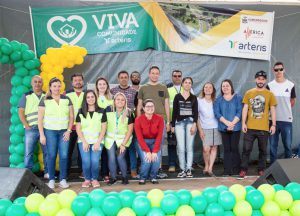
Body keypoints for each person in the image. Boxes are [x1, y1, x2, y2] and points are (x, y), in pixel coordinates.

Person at [239, 71, 277, 179]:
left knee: (263, 151)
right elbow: (245, 108)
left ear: (265, 80)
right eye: (259, 79)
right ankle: (243, 169)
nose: (261, 81)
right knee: (246, 150)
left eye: (263, 79)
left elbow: (273, 110)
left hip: (264, 128)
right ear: (255, 79)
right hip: (250, 127)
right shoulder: (249, 93)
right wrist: (243, 123)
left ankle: (261, 170)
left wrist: (273, 125)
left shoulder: (270, 94)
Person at [38, 77, 74, 189]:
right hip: (50, 132)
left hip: (64, 132)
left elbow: (71, 116)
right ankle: (52, 180)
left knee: (63, 155)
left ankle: (63, 179)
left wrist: (68, 131)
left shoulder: (67, 99)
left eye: (59, 86)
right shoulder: (45, 100)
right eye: (54, 86)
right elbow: (40, 119)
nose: (57, 88)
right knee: (52, 155)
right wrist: (42, 135)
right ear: (50, 87)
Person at [137, 66, 170, 179]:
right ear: (149, 74)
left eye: (157, 73)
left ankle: (157, 170)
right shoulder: (143, 88)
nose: (155, 75)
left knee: (159, 145)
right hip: (145, 122)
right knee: (144, 145)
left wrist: (168, 121)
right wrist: (138, 119)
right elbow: (139, 105)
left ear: (159, 75)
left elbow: (166, 104)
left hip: (160, 121)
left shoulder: (163, 87)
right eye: (153, 73)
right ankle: (144, 169)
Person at [18, 75, 48, 178]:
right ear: (31, 83)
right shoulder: (26, 95)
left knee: (47, 151)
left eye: (39, 82)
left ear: (42, 83)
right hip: (31, 128)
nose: (37, 84)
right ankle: (28, 174)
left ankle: (47, 172)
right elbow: (21, 112)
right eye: (35, 82)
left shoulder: (46, 95)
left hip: (44, 129)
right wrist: (26, 126)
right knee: (28, 152)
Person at [266, 62, 296, 164]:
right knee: (272, 146)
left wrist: (284, 110)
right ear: (273, 71)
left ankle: (288, 167)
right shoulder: (269, 86)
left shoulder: (291, 85)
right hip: (272, 121)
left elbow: (292, 101)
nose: (278, 71)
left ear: (284, 70)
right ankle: (272, 169)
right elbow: (267, 103)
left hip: (286, 121)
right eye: (276, 70)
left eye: (280, 69)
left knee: (287, 145)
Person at [111, 71, 138, 178]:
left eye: (125, 77)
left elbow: (137, 106)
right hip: (117, 124)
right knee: (116, 147)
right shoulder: (113, 91)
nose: (123, 79)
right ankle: (117, 169)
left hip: (129, 121)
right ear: (118, 79)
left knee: (131, 147)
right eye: (121, 77)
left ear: (128, 79)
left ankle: (133, 169)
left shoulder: (134, 91)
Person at [76, 90, 106, 188]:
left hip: (97, 141)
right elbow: (78, 129)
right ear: (85, 99)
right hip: (83, 141)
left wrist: (98, 142)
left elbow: (103, 129)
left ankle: (94, 179)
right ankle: (87, 179)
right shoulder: (80, 111)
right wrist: (84, 142)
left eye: (92, 96)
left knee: (95, 161)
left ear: (95, 98)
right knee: (86, 161)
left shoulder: (102, 111)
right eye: (88, 97)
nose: (90, 99)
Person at [103, 92, 134, 185]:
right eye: (118, 99)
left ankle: (124, 177)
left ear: (125, 102)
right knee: (111, 158)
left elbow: (130, 130)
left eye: (122, 100)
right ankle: (113, 177)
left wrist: (123, 144)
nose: (120, 101)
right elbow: (104, 125)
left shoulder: (129, 112)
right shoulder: (108, 109)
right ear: (114, 101)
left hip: (123, 139)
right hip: (110, 138)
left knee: (120, 157)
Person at [214, 79, 242, 176]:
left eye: (227, 85)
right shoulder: (218, 100)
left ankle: (235, 170)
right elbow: (217, 113)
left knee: (234, 148)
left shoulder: (238, 98)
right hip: (224, 127)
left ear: (231, 87)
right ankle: (227, 171)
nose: (225, 87)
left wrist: (232, 124)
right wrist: (227, 123)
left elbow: (240, 111)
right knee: (226, 149)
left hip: (236, 127)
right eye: (223, 86)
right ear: (221, 88)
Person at [171, 77, 198, 178]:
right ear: (182, 84)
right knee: (181, 148)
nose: (187, 84)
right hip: (179, 124)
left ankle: (188, 169)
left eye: (189, 83)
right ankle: (182, 169)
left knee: (189, 147)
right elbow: (174, 111)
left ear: (191, 85)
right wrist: (173, 125)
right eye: (185, 82)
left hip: (191, 123)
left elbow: (196, 112)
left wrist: (195, 124)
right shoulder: (177, 97)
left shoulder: (194, 98)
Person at [135, 99, 164, 184]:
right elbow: (139, 137)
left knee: (156, 159)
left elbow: (159, 136)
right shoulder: (138, 120)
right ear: (143, 108)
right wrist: (147, 151)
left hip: (155, 141)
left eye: (152, 106)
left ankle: (153, 177)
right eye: (147, 106)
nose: (150, 108)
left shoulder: (160, 119)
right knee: (147, 160)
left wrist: (155, 151)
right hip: (142, 142)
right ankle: (143, 177)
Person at [197, 82, 222, 177]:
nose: (207, 89)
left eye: (210, 87)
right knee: (206, 149)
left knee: (214, 148)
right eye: (205, 87)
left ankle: (210, 168)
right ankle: (206, 165)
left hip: (216, 127)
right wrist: (200, 130)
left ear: (213, 90)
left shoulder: (216, 101)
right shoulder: (199, 101)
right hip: (204, 128)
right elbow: (197, 116)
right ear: (203, 89)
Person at [66, 73, 84, 177]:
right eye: (75, 80)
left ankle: (83, 172)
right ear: (72, 82)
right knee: (67, 151)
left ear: (83, 81)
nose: (78, 82)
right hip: (70, 127)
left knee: (82, 151)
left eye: (80, 80)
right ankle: (66, 173)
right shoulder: (66, 94)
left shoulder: (87, 94)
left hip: (83, 128)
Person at [95, 77, 112, 182]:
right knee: (96, 153)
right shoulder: (93, 97)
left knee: (106, 153)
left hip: (108, 129)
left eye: (104, 84)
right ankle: (95, 174)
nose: (102, 86)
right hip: (95, 129)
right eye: (100, 84)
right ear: (97, 86)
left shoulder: (112, 99)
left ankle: (105, 173)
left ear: (107, 86)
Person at [166, 70, 182, 173]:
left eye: (179, 76)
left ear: (182, 77)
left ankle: (183, 164)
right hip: (171, 120)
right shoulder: (167, 89)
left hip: (183, 121)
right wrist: (168, 122)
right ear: (172, 77)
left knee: (183, 144)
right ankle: (172, 164)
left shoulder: (187, 87)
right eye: (175, 76)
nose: (177, 77)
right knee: (172, 143)